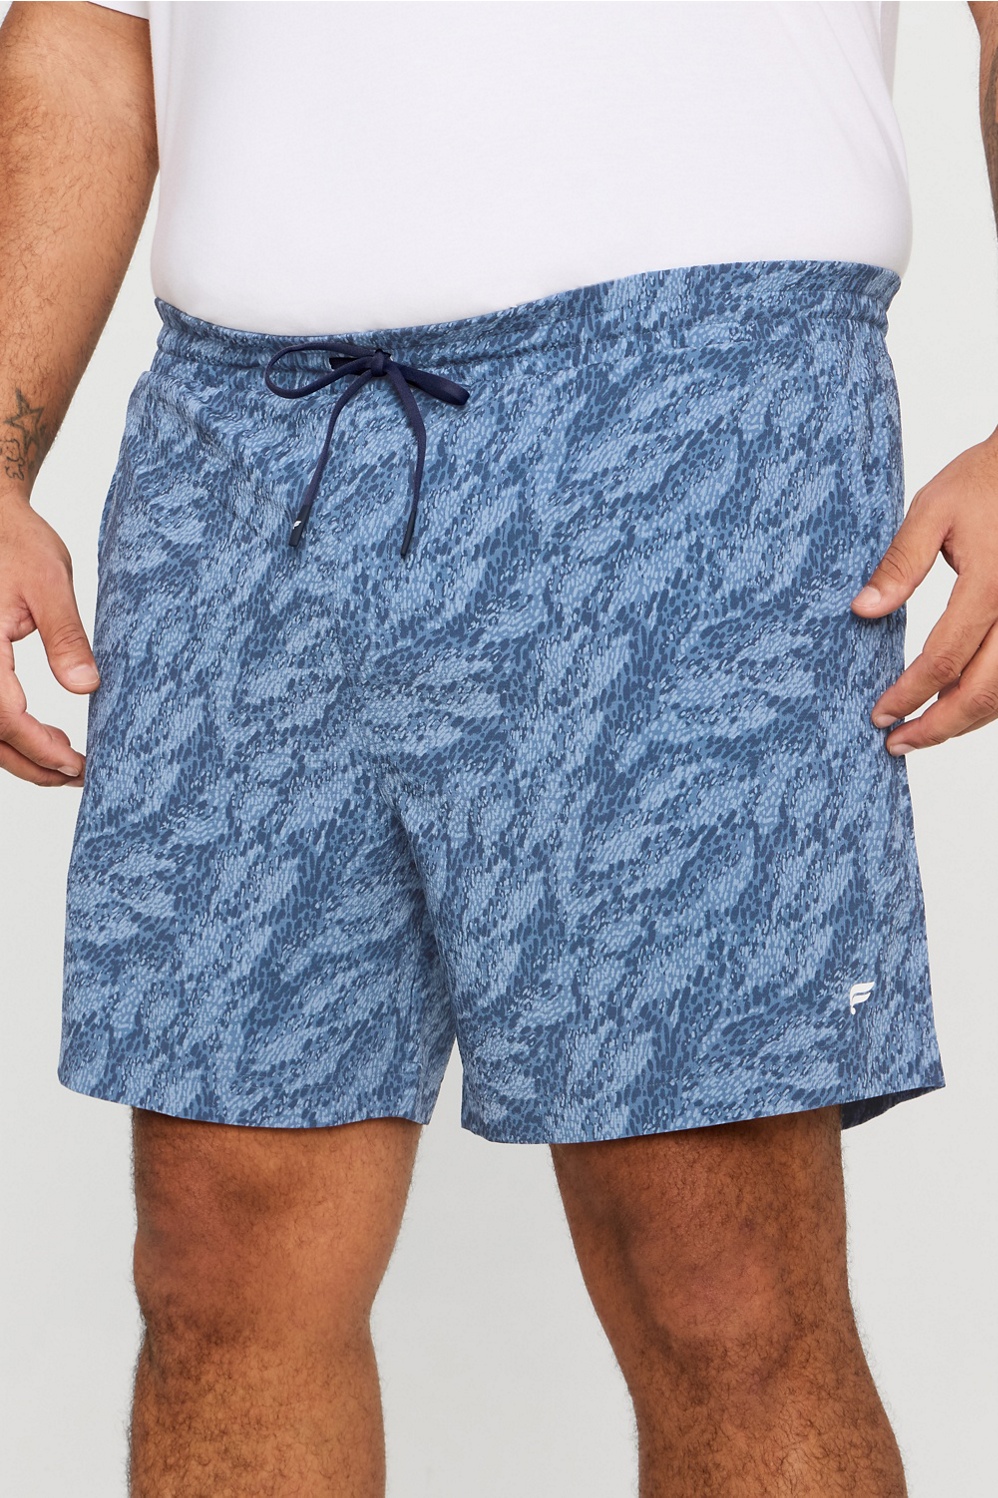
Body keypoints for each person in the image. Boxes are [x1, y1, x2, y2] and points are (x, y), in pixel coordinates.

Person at [0, 2, 994, 1494]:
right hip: (239, 444)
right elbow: (85, 32)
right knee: (217, 1256)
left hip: (688, 422)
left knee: (716, 1276)